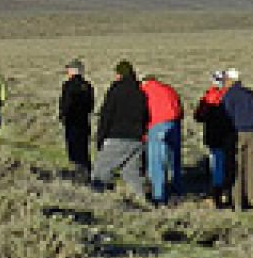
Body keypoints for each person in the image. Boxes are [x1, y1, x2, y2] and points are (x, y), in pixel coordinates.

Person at [91, 60, 149, 199]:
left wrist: (100, 138)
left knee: (100, 171)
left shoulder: (115, 90)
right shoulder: (140, 92)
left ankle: (96, 200)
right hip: (136, 140)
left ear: (119, 74)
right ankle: (141, 201)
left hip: (117, 138)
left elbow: (106, 115)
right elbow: (145, 116)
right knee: (131, 174)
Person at [220, 68, 253, 211]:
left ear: (230, 80)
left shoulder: (229, 95)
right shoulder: (250, 94)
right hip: (252, 133)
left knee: (236, 167)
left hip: (235, 134)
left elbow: (225, 117)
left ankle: (238, 202)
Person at [192, 71, 237, 207]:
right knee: (229, 163)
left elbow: (198, 116)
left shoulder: (208, 96)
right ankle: (229, 192)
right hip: (229, 134)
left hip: (213, 135)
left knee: (217, 165)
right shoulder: (229, 94)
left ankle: (217, 195)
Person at [139, 72, 184, 205]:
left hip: (157, 125)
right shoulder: (169, 89)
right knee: (174, 161)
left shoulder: (144, 91)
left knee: (156, 162)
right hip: (174, 124)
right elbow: (180, 109)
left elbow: (143, 111)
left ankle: (159, 196)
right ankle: (177, 191)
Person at [58, 59, 96, 176]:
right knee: (84, 149)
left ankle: (79, 174)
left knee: (74, 150)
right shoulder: (88, 86)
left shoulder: (68, 85)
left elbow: (66, 104)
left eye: (69, 69)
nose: (67, 71)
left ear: (74, 70)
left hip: (72, 123)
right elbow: (91, 105)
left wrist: (63, 116)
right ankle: (87, 172)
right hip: (84, 122)